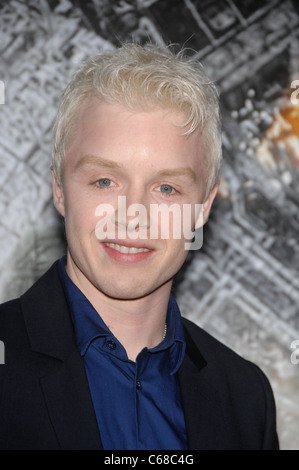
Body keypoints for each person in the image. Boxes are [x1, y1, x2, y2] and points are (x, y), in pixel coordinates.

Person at [0, 43, 279, 450]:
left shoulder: (245, 397)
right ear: (59, 190)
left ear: (202, 209)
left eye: (166, 188)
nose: (133, 215)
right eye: (104, 182)